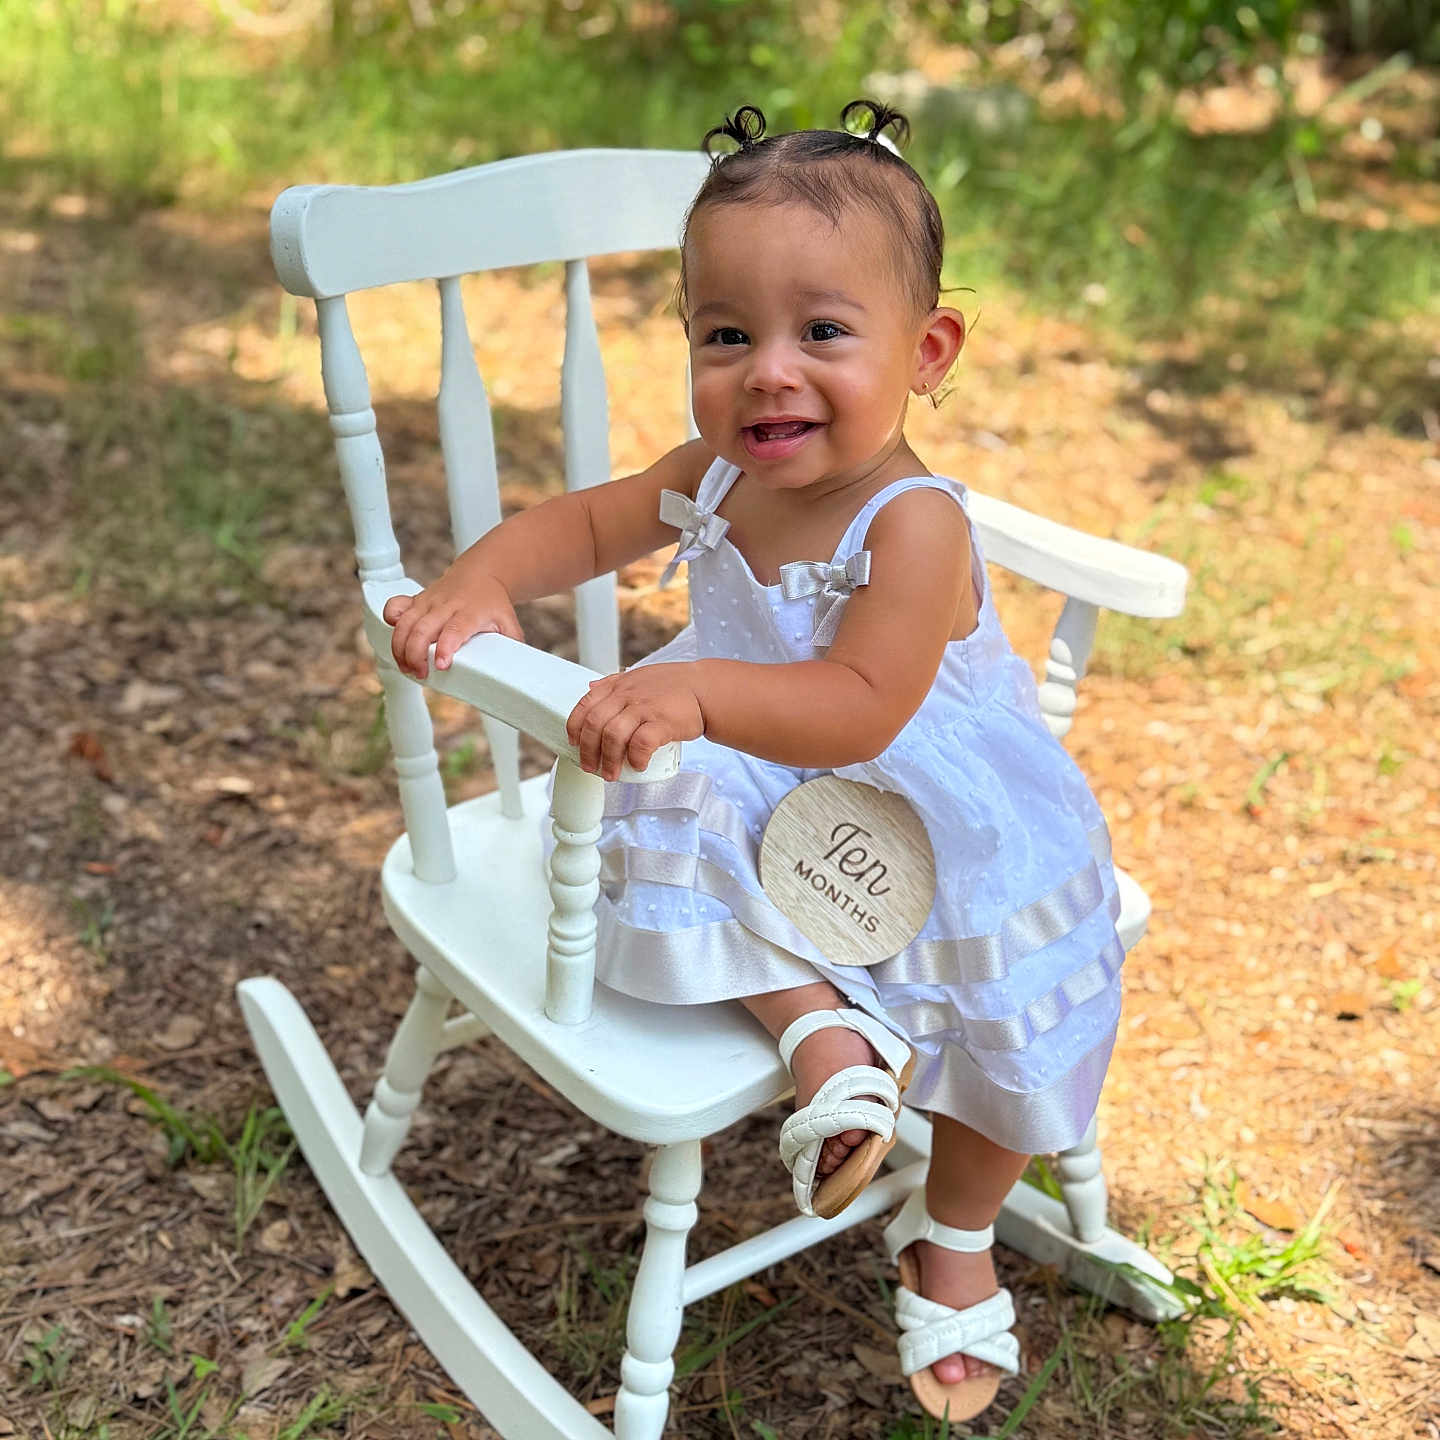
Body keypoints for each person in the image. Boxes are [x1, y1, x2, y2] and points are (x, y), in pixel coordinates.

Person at [383, 100, 1124, 1423]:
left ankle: (954, 1230)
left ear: (928, 350)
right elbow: (588, 519)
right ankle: (827, 1039)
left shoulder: (916, 525)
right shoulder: (715, 479)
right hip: (775, 785)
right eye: (727, 336)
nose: (767, 372)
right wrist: (481, 583)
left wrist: (691, 686)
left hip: (932, 813)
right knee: (664, 790)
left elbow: (858, 706)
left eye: (823, 333)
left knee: (1017, 1016)